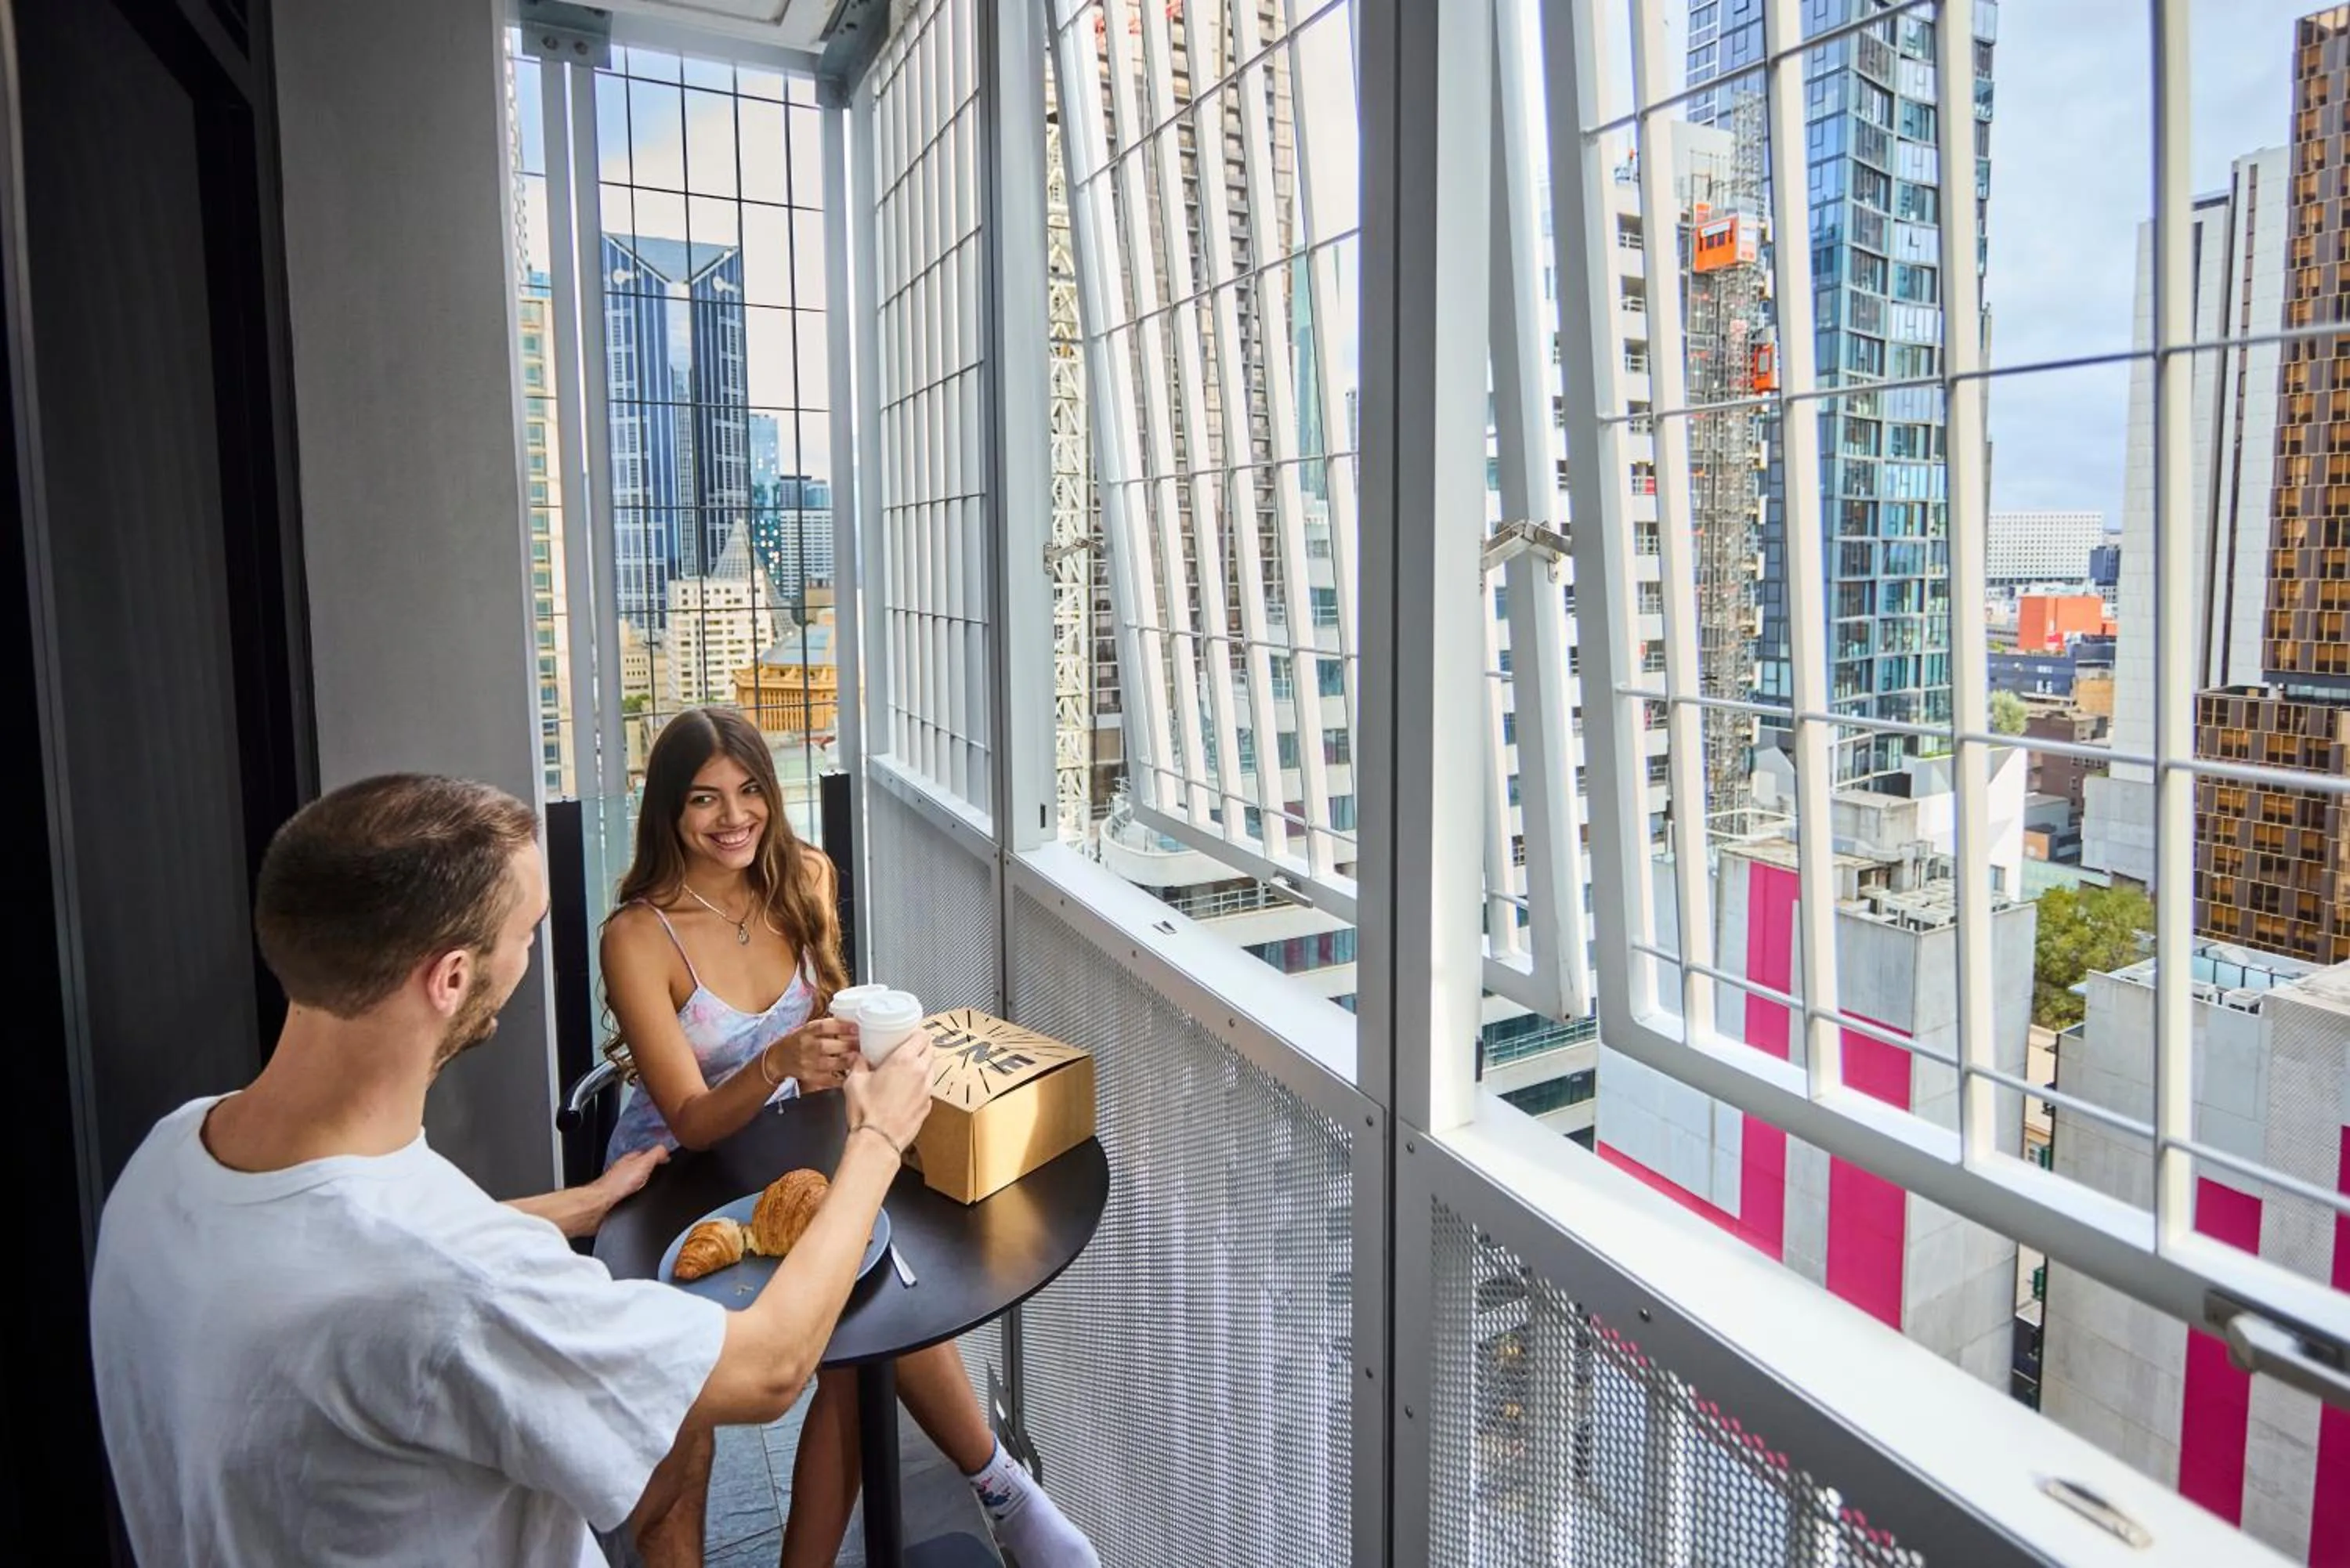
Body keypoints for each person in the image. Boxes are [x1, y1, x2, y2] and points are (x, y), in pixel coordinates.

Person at [89, 773, 936, 1566]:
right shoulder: (455, 1288)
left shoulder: (172, 1157)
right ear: (452, 978)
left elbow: (328, 1239)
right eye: (526, 934)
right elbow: (769, 1366)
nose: (530, 958)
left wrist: (581, 1204)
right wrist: (878, 1139)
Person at [601, 707, 1097, 1568]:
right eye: (704, 800)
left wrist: (866, 1052)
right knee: (683, 1440)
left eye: (750, 790)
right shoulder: (639, 935)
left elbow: (829, 1015)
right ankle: (1006, 1491)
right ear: (668, 814)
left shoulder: (805, 877)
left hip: (787, 1157)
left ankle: (996, 1495)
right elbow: (686, 1115)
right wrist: (780, 1059)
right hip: (673, 1185)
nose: (734, 818)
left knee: (863, 1337)